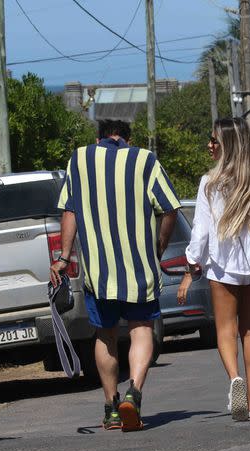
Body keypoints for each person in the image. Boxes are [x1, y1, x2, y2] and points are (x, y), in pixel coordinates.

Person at [51, 120, 180, 432]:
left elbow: (69, 211)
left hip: (99, 270)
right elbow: (170, 208)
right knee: (141, 330)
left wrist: (63, 258)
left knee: (105, 335)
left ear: (99, 138)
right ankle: (134, 394)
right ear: (127, 139)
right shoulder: (144, 159)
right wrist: (158, 248)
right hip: (139, 268)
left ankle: (111, 407)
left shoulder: (79, 160)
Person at [178, 118, 250, 421]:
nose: (209, 145)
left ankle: (234, 380)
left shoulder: (210, 184)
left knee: (225, 331)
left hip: (223, 268)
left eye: (213, 141)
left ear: (227, 145)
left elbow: (200, 232)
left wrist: (191, 264)